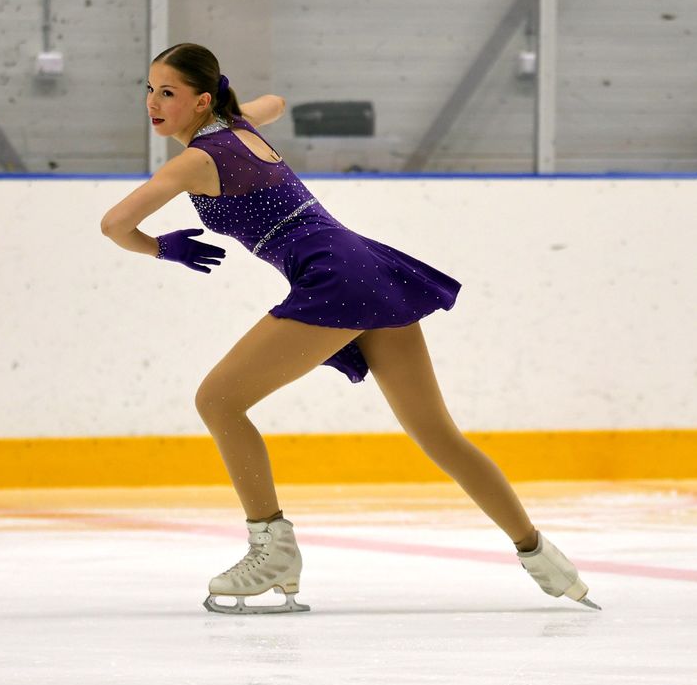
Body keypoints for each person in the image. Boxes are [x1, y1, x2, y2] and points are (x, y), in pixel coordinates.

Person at [100, 43, 599, 615]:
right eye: (149, 89)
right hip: (366, 265)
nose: (152, 103)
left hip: (335, 277)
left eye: (168, 92)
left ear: (201, 100)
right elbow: (274, 102)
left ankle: (272, 550)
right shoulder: (237, 125)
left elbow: (114, 224)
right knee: (437, 433)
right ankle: (540, 554)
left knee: (217, 400)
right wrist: (241, 108)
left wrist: (161, 248)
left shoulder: (194, 161)